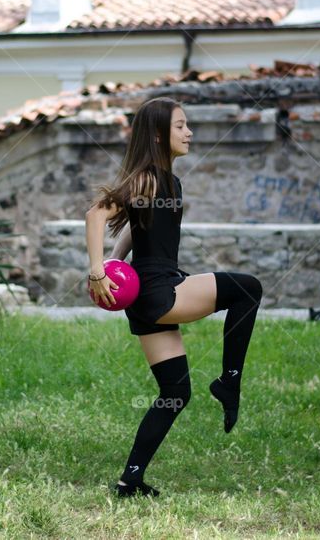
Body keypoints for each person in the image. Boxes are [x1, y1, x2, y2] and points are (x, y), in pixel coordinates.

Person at [84, 96, 264, 498]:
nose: (189, 132)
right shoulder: (150, 177)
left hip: (144, 300)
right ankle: (229, 382)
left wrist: (116, 263)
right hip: (162, 292)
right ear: (158, 134)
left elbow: (135, 222)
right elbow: (97, 214)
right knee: (248, 289)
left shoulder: (163, 181)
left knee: (174, 393)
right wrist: (98, 270)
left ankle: (129, 480)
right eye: (181, 126)